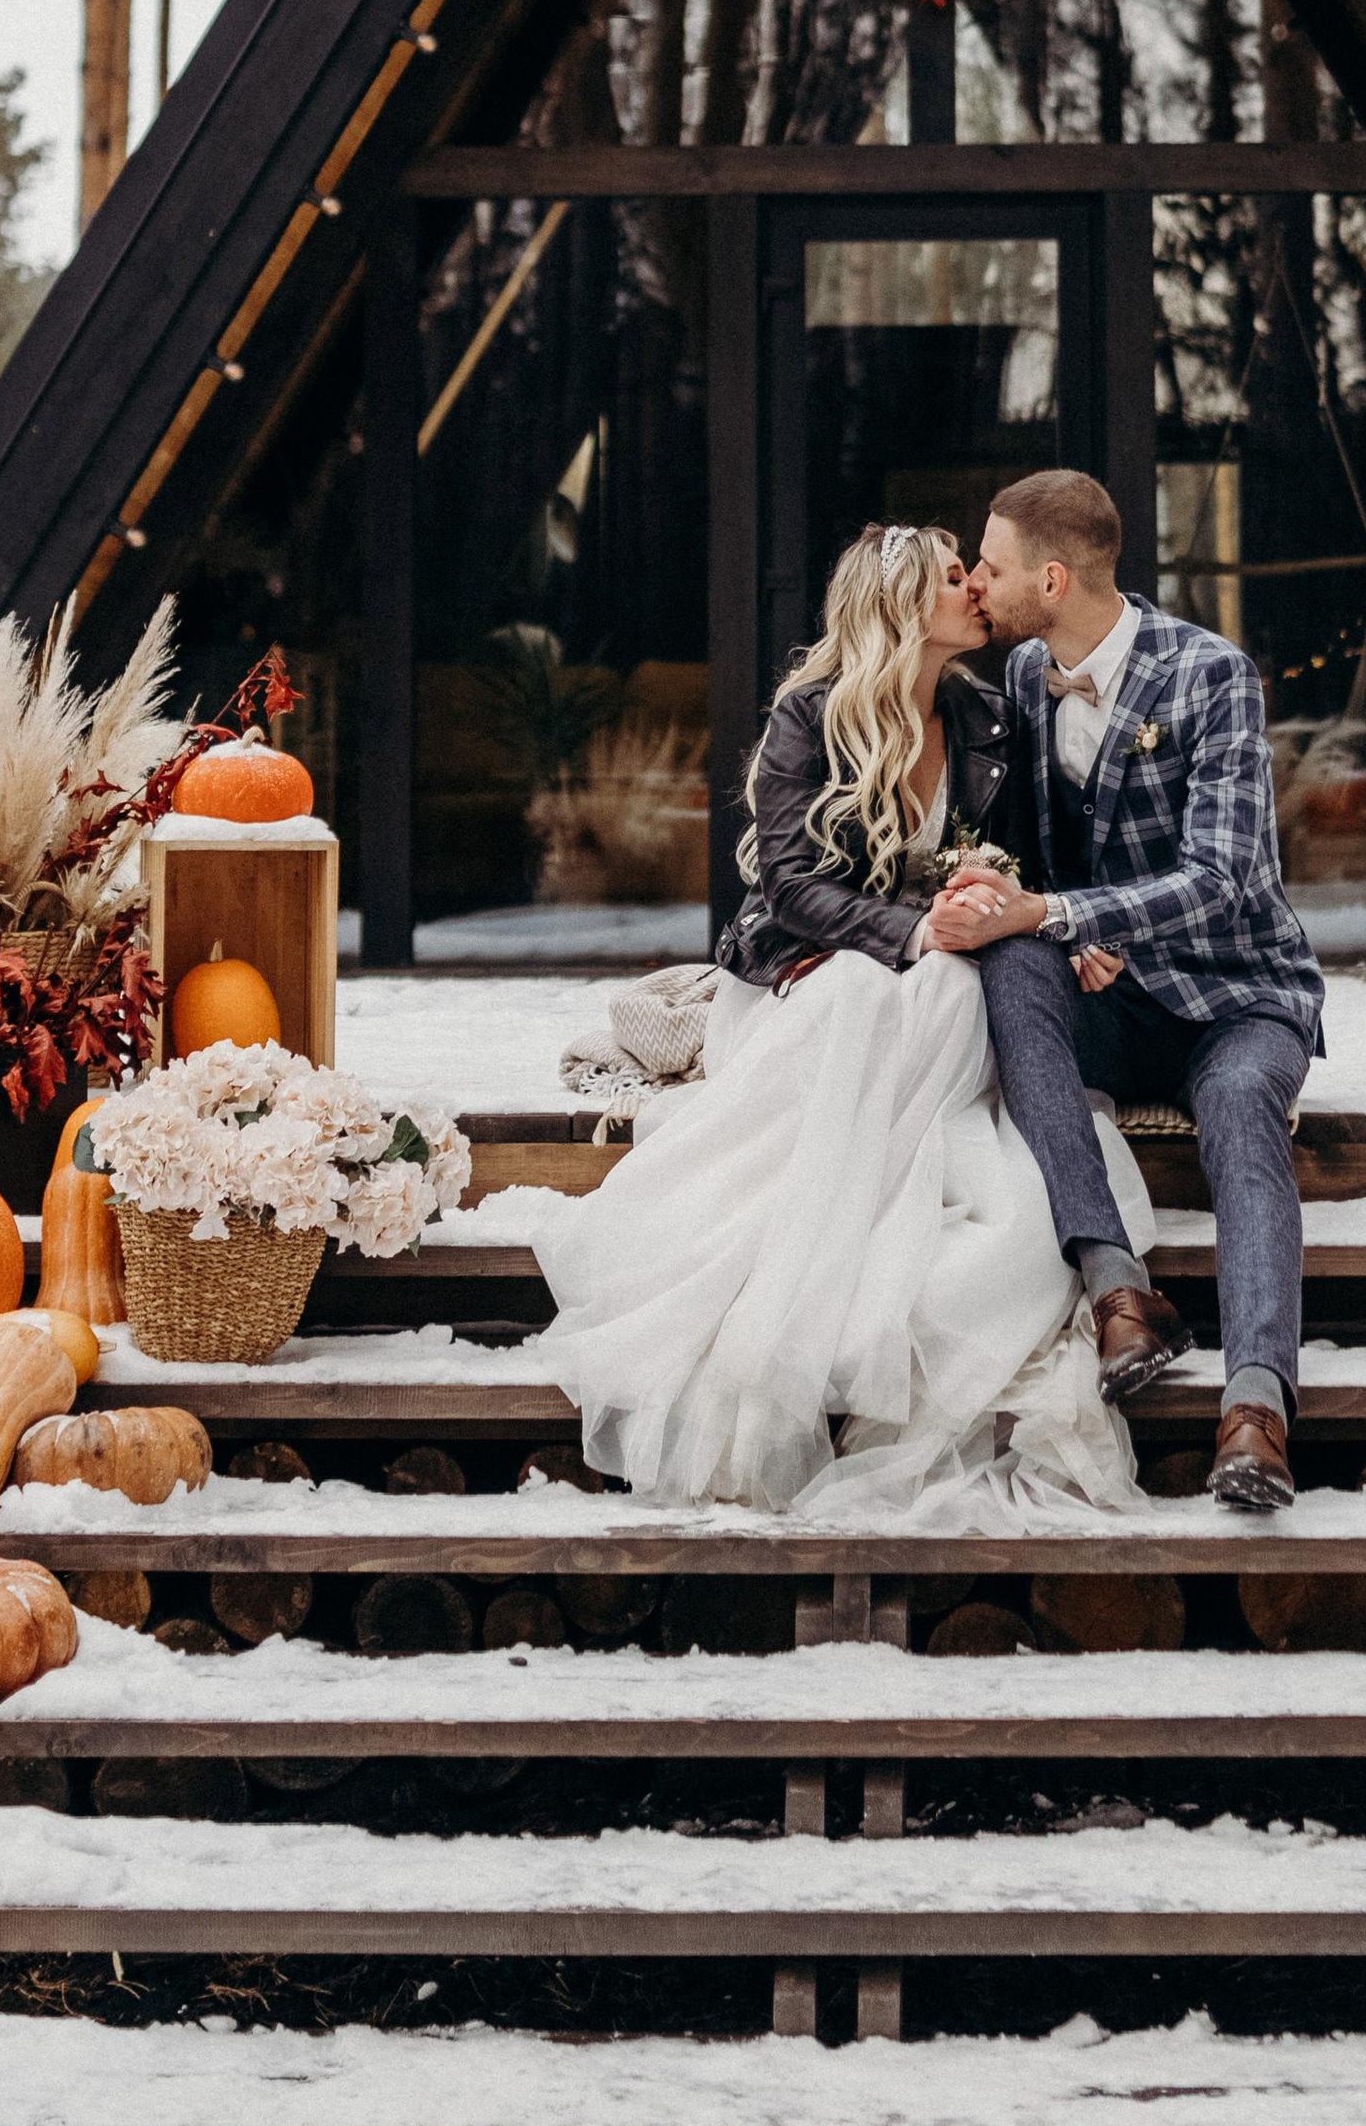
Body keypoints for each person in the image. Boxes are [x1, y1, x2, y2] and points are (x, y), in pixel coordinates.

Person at [530, 520, 1150, 1520]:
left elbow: (1032, 862)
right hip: (807, 978)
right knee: (878, 990)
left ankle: (876, 1186)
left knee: (955, 989)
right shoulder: (808, 717)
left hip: (931, 990)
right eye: (957, 579)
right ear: (903, 606)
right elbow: (787, 882)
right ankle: (828, 1210)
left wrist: (1028, 913)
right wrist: (917, 930)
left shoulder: (990, 718)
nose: (977, 592)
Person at [925, 468, 1325, 1516]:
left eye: (995, 566)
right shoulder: (1018, 676)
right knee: (1012, 967)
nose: (977, 579)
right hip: (1107, 997)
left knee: (1240, 1107)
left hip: (1236, 996)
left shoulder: (1211, 675)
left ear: (1051, 580)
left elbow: (1224, 878)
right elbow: (1037, 861)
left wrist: (1066, 917)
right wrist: (1041, 914)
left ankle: (1255, 1411)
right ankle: (1119, 1291)